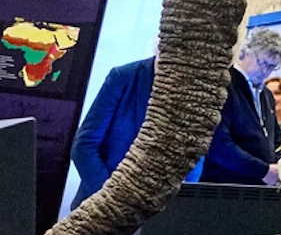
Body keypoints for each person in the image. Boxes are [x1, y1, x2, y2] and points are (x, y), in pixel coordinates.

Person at [69, 55, 203, 207]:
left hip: (159, 213)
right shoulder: (123, 77)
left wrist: (175, 204)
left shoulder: (195, 91)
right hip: (100, 208)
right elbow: (84, 147)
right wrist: (111, 200)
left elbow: (194, 158)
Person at [200, 28, 281, 185]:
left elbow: (275, 138)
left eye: (272, 67)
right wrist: (262, 170)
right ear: (247, 53)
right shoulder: (223, 84)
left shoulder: (267, 94)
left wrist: (278, 165)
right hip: (224, 185)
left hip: (258, 186)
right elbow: (218, 144)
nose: (265, 71)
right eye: (263, 62)